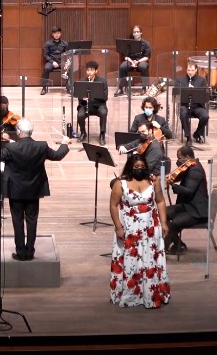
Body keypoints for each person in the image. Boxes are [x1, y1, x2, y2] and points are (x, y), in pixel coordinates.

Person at [0, 119, 69, 261]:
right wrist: (65, 143)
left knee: (17, 222)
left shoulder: (11, 149)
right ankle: (30, 251)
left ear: (18, 132)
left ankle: (20, 252)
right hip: (34, 191)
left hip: (16, 191)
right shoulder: (41, 146)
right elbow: (57, 156)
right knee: (32, 221)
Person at [108, 153, 170, 308]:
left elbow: (161, 201)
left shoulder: (153, 181)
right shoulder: (120, 184)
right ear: (131, 167)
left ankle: (151, 293)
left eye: (142, 166)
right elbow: (113, 205)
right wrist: (118, 227)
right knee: (131, 261)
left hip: (150, 227)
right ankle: (130, 295)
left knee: (150, 259)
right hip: (130, 228)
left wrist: (163, 222)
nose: (140, 169)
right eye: (136, 167)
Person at [165, 146, 207, 254]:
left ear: (187, 157)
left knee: (175, 223)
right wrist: (172, 177)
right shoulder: (190, 166)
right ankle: (178, 245)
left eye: (180, 158)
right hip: (188, 205)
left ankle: (173, 246)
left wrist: (174, 186)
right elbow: (182, 176)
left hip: (196, 210)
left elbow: (189, 191)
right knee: (162, 213)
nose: (178, 161)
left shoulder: (195, 170)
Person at [174, 62, 210, 144]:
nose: (190, 72)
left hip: (197, 106)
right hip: (185, 105)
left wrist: (195, 92)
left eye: (192, 70)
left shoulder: (202, 80)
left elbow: (206, 95)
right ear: (186, 70)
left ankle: (197, 134)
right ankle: (188, 137)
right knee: (183, 114)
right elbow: (176, 95)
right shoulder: (180, 80)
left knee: (205, 116)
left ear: (196, 70)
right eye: (188, 70)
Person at [74, 60, 109, 145]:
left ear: (96, 71)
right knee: (80, 115)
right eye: (88, 70)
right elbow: (79, 96)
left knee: (103, 112)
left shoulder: (102, 81)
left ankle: (102, 134)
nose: (89, 72)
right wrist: (82, 97)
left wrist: (93, 96)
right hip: (86, 105)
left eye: (91, 70)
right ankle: (83, 133)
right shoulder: (83, 81)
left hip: (99, 105)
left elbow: (105, 97)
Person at [116, 25, 151, 96]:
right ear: (132, 33)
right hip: (130, 61)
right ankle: (121, 88)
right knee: (122, 67)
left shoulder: (146, 43)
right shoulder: (129, 44)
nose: (136, 33)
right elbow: (126, 57)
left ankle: (144, 88)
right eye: (134, 32)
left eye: (138, 32)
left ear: (141, 33)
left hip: (141, 61)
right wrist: (131, 61)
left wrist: (138, 61)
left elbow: (147, 57)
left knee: (143, 67)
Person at [41, 26, 69, 95]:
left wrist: (65, 62)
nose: (57, 35)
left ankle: (69, 87)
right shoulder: (48, 43)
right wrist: (52, 62)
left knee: (70, 68)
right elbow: (45, 55)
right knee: (46, 68)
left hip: (61, 62)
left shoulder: (64, 43)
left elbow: (68, 54)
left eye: (58, 33)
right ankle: (44, 88)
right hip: (51, 62)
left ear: (61, 34)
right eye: (55, 33)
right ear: (52, 34)